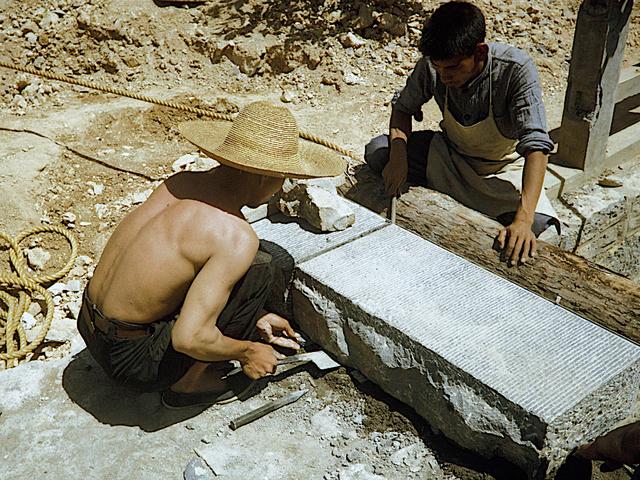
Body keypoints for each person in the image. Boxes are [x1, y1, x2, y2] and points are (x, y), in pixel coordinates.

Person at [77, 101, 345, 408]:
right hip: (130, 362)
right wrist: (247, 352)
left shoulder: (180, 183)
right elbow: (187, 339)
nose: (280, 188)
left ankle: (212, 344)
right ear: (262, 176)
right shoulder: (233, 234)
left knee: (255, 260)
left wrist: (253, 315)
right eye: (282, 177)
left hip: (89, 327)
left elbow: (165, 271)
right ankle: (188, 384)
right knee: (262, 265)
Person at [365, 1, 560, 266]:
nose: (444, 77)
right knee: (379, 152)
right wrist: (398, 158)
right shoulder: (433, 65)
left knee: (539, 229)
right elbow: (402, 110)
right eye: (439, 68)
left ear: (479, 53)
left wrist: (523, 220)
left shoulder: (515, 70)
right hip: (449, 157)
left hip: (498, 172)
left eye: (453, 68)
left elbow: (536, 146)